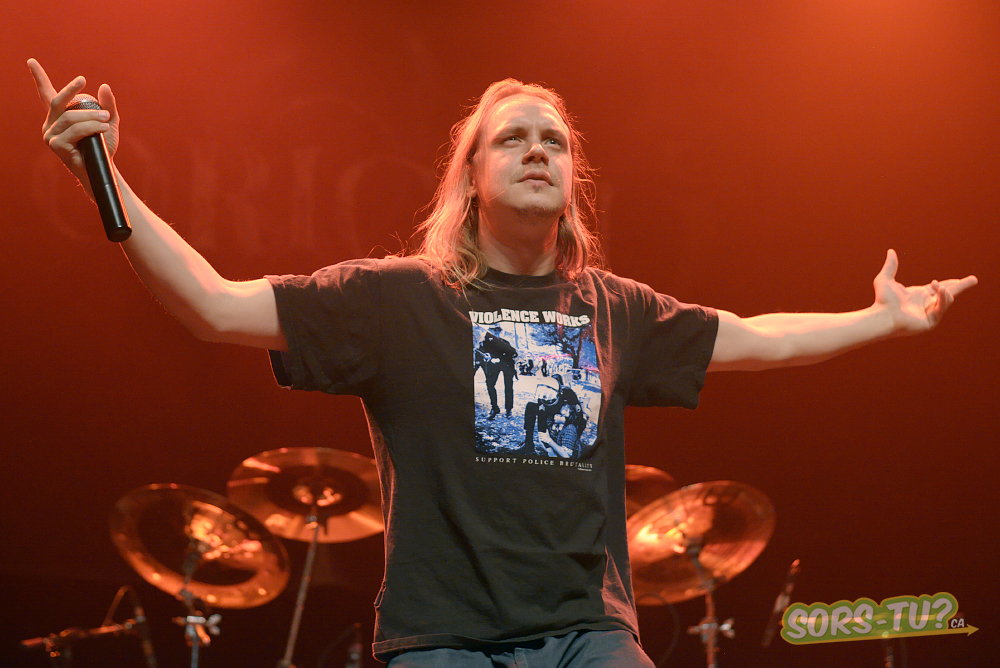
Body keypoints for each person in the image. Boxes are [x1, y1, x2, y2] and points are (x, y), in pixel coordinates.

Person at [28, 59, 977, 667]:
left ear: (572, 180)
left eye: (553, 140)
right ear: (471, 177)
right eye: (512, 138)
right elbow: (212, 306)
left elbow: (758, 336)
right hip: (442, 638)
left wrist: (881, 321)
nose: (536, 151)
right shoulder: (397, 300)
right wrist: (103, 180)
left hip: (589, 634)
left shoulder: (614, 309)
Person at [477, 325, 518, 419]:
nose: (496, 332)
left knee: (508, 387)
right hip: (493, 366)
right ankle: (494, 407)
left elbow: (514, 353)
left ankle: (509, 410)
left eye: (497, 330)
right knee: (490, 384)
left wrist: (499, 358)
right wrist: (486, 357)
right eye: (493, 330)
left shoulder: (505, 342)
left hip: (507, 365)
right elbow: (481, 352)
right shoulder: (485, 343)